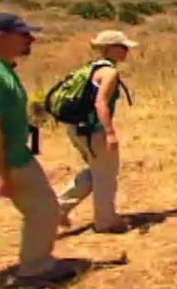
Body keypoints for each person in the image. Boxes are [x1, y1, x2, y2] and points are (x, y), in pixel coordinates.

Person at [0, 13, 72, 282]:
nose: (31, 39)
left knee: (45, 208)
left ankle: (36, 266)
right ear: (1, 38)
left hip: (16, 158)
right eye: (24, 35)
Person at [57, 30, 137, 233]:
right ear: (110, 49)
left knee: (97, 171)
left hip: (77, 128)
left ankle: (58, 207)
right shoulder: (110, 72)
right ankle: (105, 220)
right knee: (106, 175)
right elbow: (101, 103)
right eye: (123, 47)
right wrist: (109, 132)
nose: (127, 51)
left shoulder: (90, 68)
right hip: (94, 130)